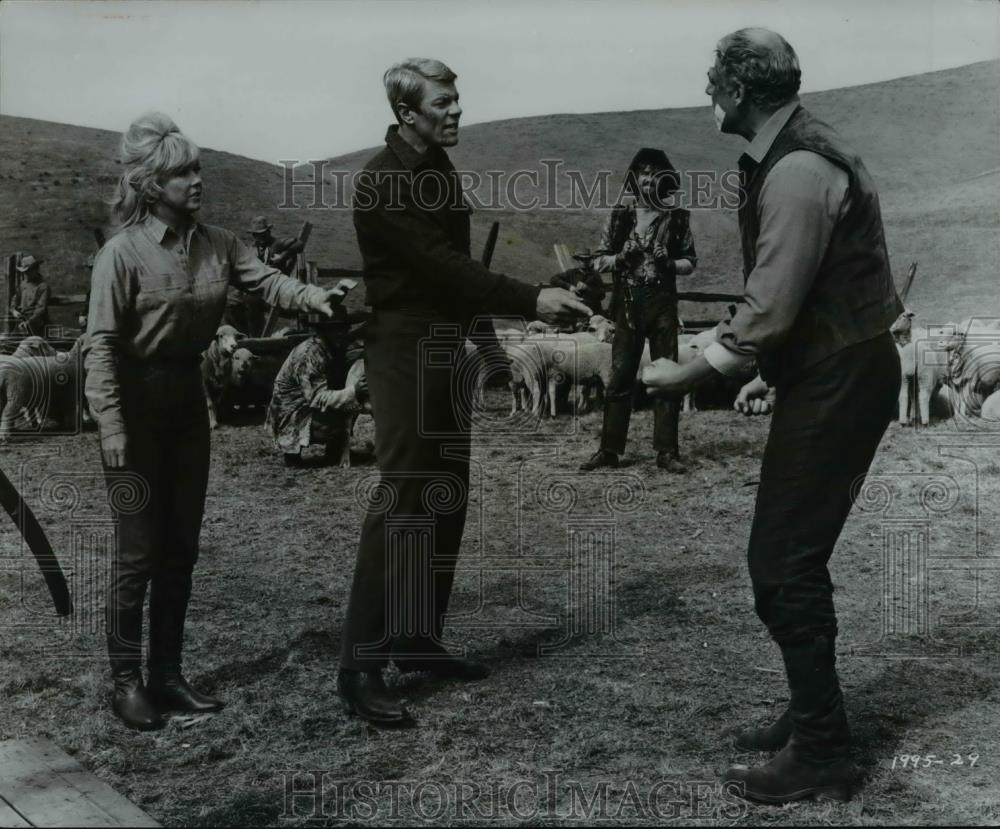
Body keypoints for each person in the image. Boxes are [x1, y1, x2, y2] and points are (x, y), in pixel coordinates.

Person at [641, 29, 903, 803]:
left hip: (837, 378)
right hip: (842, 371)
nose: (706, 94)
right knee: (796, 556)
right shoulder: (800, 152)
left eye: (713, 80)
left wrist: (689, 369)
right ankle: (810, 707)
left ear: (741, 89)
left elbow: (768, 312)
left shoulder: (793, 169)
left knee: (781, 564)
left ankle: (823, 747)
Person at [339, 58, 591, 726]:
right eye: (442, 103)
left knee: (444, 497)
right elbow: (444, 267)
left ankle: (417, 640)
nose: (455, 111)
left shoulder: (439, 173)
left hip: (445, 353)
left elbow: (459, 279)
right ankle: (360, 665)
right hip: (401, 353)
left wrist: (487, 352)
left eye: (456, 100)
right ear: (406, 112)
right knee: (402, 499)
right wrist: (531, 297)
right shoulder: (385, 183)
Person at [85, 112, 348, 732]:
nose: (197, 180)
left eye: (198, 168)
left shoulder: (220, 244)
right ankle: (126, 682)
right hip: (134, 405)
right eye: (182, 172)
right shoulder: (119, 256)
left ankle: (169, 676)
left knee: (180, 549)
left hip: (187, 402)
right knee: (138, 553)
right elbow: (99, 345)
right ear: (152, 185)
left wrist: (317, 298)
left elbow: (272, 283)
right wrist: (111, 425)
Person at [580, 148, 697, 474]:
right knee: (619, 379)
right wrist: (620, 258)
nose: (648, 179)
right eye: (642, 172)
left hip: (662, 306)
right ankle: (609, 450)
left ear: (664, 179)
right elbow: (598, 260)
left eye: (654, 173)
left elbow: (690, 261)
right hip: (628, 304)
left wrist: (669, 262)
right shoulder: (620, 217)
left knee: (667, 377)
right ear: (635, 178)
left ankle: (667, 452)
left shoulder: (677, 219)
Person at [266, 311, 370, 468]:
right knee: (341, 413)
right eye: (337, 329)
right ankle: (293, 452)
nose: (343, 333)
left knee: (345, 398)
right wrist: (353, 391)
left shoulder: (327, 346)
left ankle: (334, 450)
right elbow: (317, 398)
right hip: (291, 413)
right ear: (324, 331)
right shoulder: (310, 354)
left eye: (345, 328)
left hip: (303, 405)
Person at [548, 249, 607, 316]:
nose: (584, 262)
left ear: (589, 260)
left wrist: (587, 288)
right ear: (578, 261)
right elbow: (553, 279)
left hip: (593, 311)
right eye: (582, 260)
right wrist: (570, 287)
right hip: (575, 311)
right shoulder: (571, 273)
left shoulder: (595, 275)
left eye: (586, 260)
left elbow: (602, 295)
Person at [11, 255, 51, 338]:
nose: (26, 274)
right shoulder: (23, 284)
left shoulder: (43, 286)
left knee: (31, 344)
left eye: (28, 271)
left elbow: (40, 309)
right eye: (25, 272)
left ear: (36, 269)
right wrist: (13, 309)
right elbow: (15, 298)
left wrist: (28, 323)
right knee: (8, 344)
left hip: (36, 322)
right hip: (21, 320)